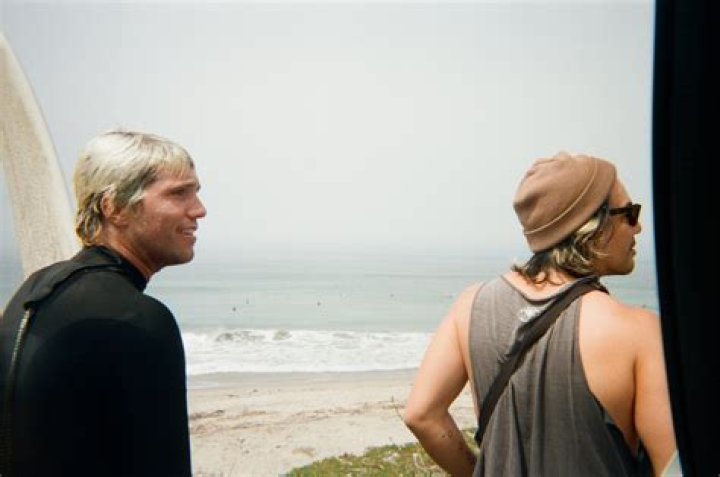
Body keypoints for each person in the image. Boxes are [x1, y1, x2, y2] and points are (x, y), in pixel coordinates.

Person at [403, 152, 676, 476]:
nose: (638, 227)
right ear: (592, 225)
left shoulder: (470, 306)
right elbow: (673, 466)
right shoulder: (638, 332)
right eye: (629, 213)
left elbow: (422, 415)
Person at [0, 130, 206, 476]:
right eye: (178, 194)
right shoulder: (135, 319)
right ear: (114, 208)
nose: (199, 210)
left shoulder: (36, 290)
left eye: (196, 193)